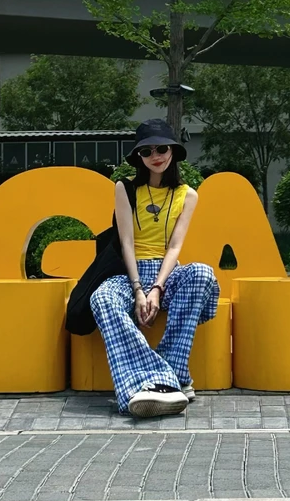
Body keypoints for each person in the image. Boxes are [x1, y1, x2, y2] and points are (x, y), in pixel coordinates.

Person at [90, 118, 219, 418]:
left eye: (162, 148)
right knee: (102, 298)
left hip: (167, 273)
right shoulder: (125, 188)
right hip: (129, 273)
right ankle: (165, 380)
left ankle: (167, 375)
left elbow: (174, 247)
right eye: (146, 151)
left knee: (202, 273)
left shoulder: (187, 195)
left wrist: (157, 288)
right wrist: (139, 290)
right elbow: (126, 243)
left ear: (173, 150)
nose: (155, 156)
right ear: (139, 157)